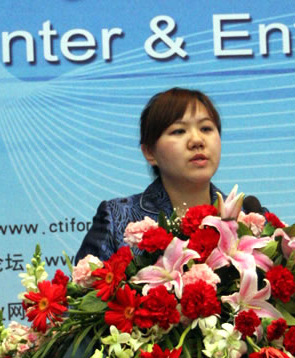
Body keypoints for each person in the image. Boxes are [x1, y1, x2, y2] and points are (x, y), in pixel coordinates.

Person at [75, 87, 224, 263]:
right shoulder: (117, 218)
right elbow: (88, 279)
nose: (197, 141)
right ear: (149, 152)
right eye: (179, 131)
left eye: (206, 128)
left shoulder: (245, 216)